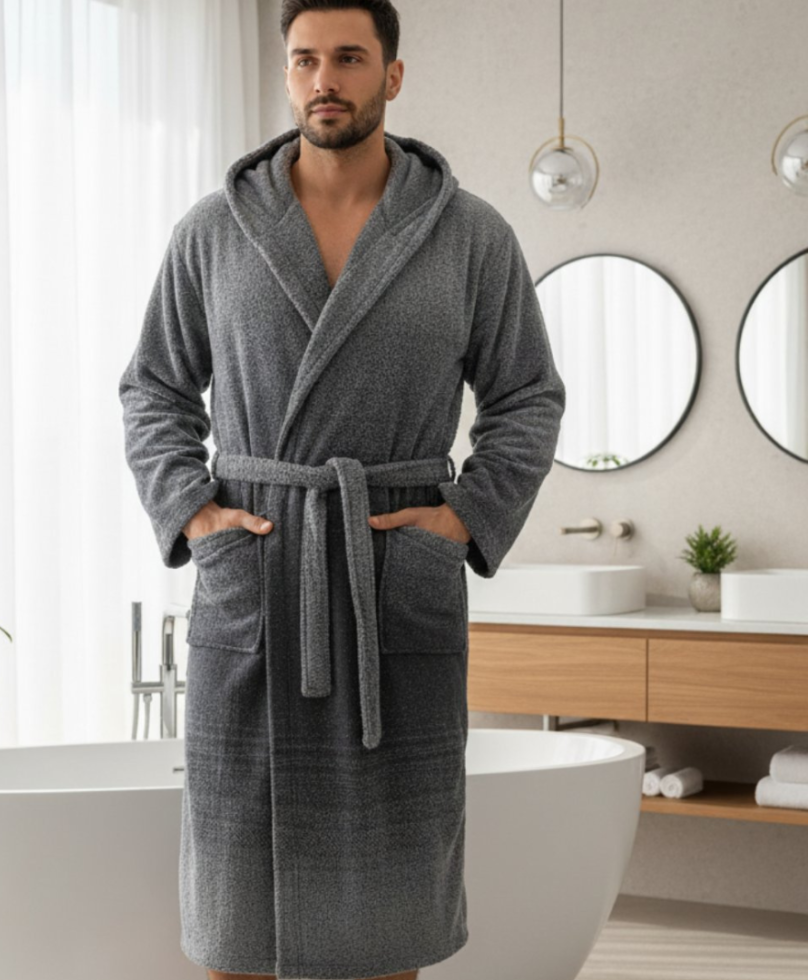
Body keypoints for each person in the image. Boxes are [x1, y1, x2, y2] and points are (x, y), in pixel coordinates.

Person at [118, 2, 566, 978]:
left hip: (387, 579)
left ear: (391, 76)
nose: (325, 79)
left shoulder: (468, 235)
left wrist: (461, 519)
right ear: (286, 74)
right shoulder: (214, 231)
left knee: (388, 915)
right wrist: (196, 514)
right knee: (235, 915)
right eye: (305, 59)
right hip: (259, 575)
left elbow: (528, 394)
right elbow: (152, 387)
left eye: (350, 58)